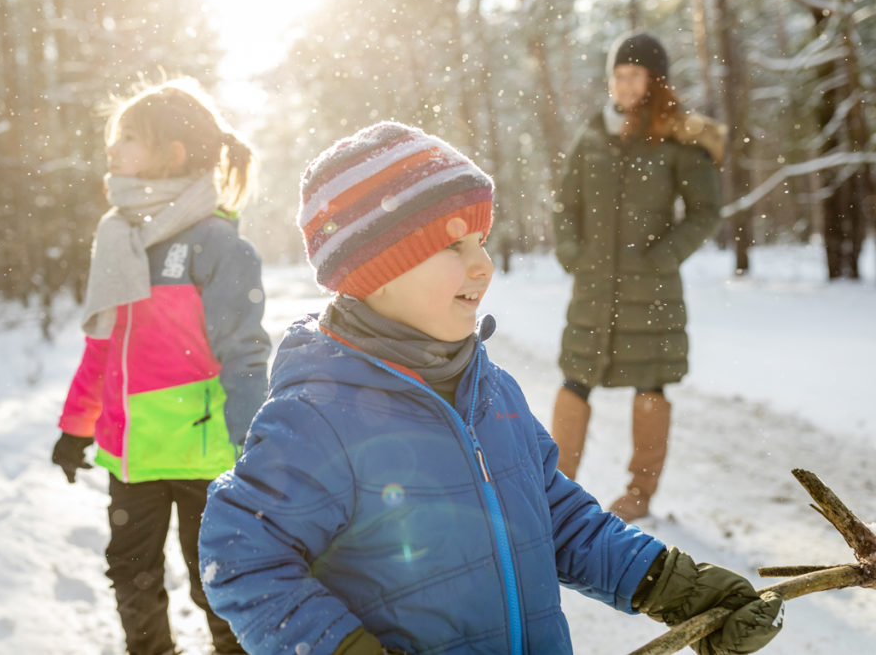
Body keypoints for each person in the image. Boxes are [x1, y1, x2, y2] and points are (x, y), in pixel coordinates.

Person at [197, 122, 781, 654]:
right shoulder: (318, 413)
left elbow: (556, 519)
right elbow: (242, 557)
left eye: (480, 241)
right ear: (376, 270)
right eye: (454, 245)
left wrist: (673, 587)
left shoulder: (491, 389)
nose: (484, 265)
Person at [51, 77, 271, 655]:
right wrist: (75, 429)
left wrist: (256, 449)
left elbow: (245, 357)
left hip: (208, 458)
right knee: (132, 576)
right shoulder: (119, 239)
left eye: (128, 138)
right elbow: (103, 349)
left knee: (218, 585)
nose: (112, 149)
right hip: (132, 456)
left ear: (172, 155)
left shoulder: (215, 246)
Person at [549, 31, 725, 522]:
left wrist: (664, 256)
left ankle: (638, 495)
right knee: (574, 379)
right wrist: (571, 253)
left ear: (655, 80)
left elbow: (706, 210)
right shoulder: (592, 136)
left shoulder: (678, 138)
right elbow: (567, 205)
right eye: (618, 75)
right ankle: (557, 492)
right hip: (593, 286)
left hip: (653, 289)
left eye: (635, 75)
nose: (625, 85)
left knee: (651, 385)